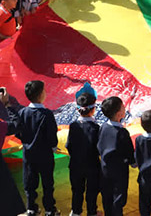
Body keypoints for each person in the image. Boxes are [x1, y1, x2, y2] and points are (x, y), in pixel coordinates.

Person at [9, 80, 59, 216]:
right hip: (45, 155)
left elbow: (18, 131)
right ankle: (50, 209)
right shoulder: (47, 114)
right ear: (42, 94)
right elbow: (52, 135)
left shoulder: (23, 112)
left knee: (30, 183)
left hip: (29, 154)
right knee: (48, 183)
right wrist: (54, 147)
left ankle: (31, 207)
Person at [97, 96, 135, 216]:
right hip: (119, 170)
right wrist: (133, 162)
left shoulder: (103, 127)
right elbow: (129, 152)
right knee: (119, 197)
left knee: (107, 196)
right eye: (123, 106)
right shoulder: (122, 133)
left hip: (105, 168)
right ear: (119, 113)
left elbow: (99, 145)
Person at [67, 87, 101, 216]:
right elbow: (99, 148)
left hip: (76, 165)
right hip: (92, 166)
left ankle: (76, 211)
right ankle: (92, 212)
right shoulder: (96, 128)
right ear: (93, 109)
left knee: (77, 190)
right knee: (92, 190)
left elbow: (69, 145)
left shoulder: (73, 126)